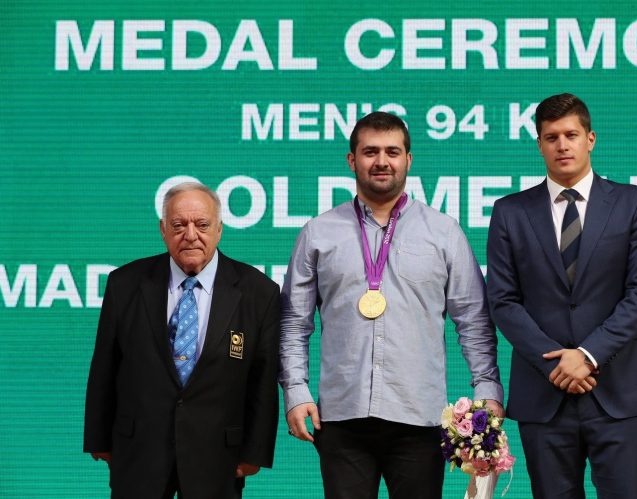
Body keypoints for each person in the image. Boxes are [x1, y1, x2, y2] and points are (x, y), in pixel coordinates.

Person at [279, 111, 504, 499]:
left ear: (408, 160)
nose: (382, 161)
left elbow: (473, 320)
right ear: (352, 160)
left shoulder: (444, 231)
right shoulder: (318, 233)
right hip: (341, 420)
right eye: (370, 151)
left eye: (392, 152)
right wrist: (296, 391)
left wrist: (488, 390)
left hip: (420, 419)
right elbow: (293, 325)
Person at [486, 93, 637, 498]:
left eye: (571, 134)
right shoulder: (509, 211)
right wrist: (555, 364)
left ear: (590, 139)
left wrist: (585, 356)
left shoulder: (634, 203)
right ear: (539, 144)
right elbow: (503, 300)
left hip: (620, 393)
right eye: (551, 137)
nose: (562, 145)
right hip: (543, 395)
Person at [84, 182, 280, 498]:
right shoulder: (125, 284)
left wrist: (254, 452)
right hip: (138, 451)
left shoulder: (259, 292)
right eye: (178, 225)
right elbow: (105, 365)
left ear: (219, 229)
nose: (190, 234)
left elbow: (263, 379)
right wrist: (98, 438)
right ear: (163, 230)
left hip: (218, 455)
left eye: (202, 224)